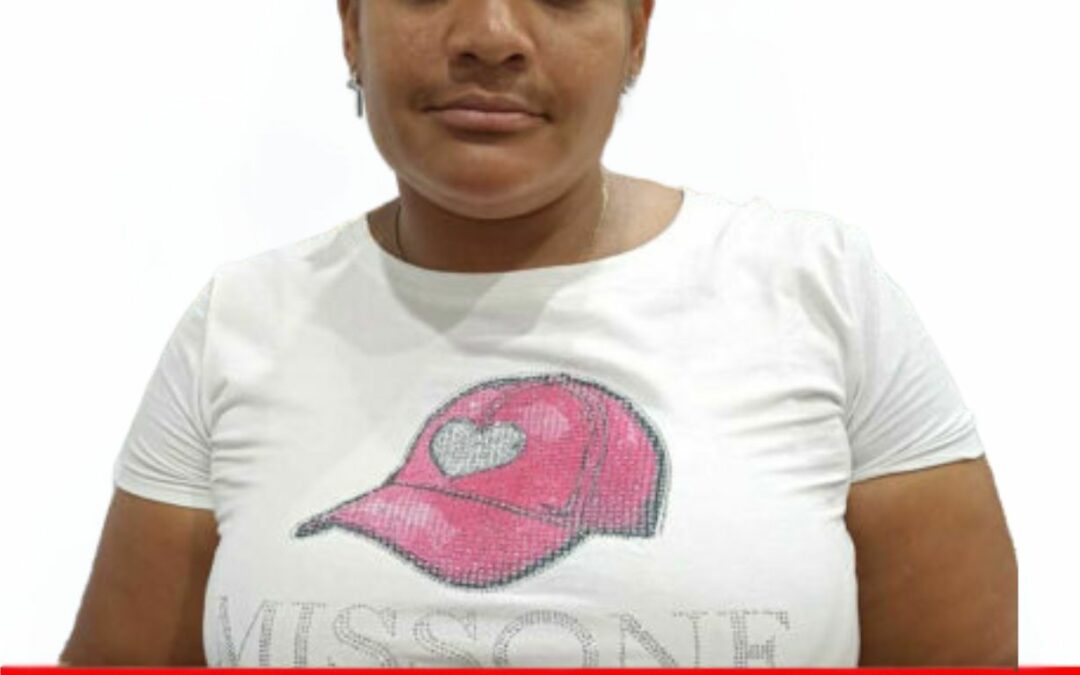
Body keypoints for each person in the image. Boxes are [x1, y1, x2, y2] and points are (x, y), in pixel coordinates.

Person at [59, 0, 1017, 667]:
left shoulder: (821, 294)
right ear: (351, 27)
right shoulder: (240, 323)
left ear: (638, 33)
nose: (490, 37)